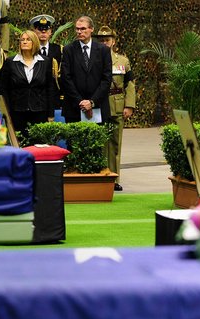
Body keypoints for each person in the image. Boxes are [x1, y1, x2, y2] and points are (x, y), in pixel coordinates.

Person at [96, 25, 136, 191]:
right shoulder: (93, 60)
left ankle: (114, 177)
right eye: (102, 40)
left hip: (117, 103)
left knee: (115, 142)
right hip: (99, 103)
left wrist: (129, 105)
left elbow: (130, 84)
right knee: (99, 141)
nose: (105, 43)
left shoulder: (122, 61)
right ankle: (100, 175)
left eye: (108, 40)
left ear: (113, 42)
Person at [1, 30, 56, 134]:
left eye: (28, 39)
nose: (24, 42)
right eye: (22, 40)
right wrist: (7, 112)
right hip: (17, 112)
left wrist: (51, 114)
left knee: (39, 145)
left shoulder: (45, 62)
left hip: (39, 111)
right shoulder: (11, 62)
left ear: (34, 42)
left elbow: (50, 88)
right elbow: (4, 89)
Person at [60, 16, 111, 124]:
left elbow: (106, 79)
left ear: (91, 29)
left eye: (83, 29)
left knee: (97, 140)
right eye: (77, 29)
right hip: (74, 107)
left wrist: (92, 102)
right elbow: (66, 78)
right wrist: (81, 102)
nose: (79, 32)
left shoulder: (103, 50)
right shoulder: (68, 50)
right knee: (74, 141)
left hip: (98, 106)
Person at [31, 14, 62, 106]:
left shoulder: (59, 50)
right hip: (36, 94)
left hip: (55, 94)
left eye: (46, 30)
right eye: (40, 30)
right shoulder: (30, 50)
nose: (43, 32)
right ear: (34, 31)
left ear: (50, 32)